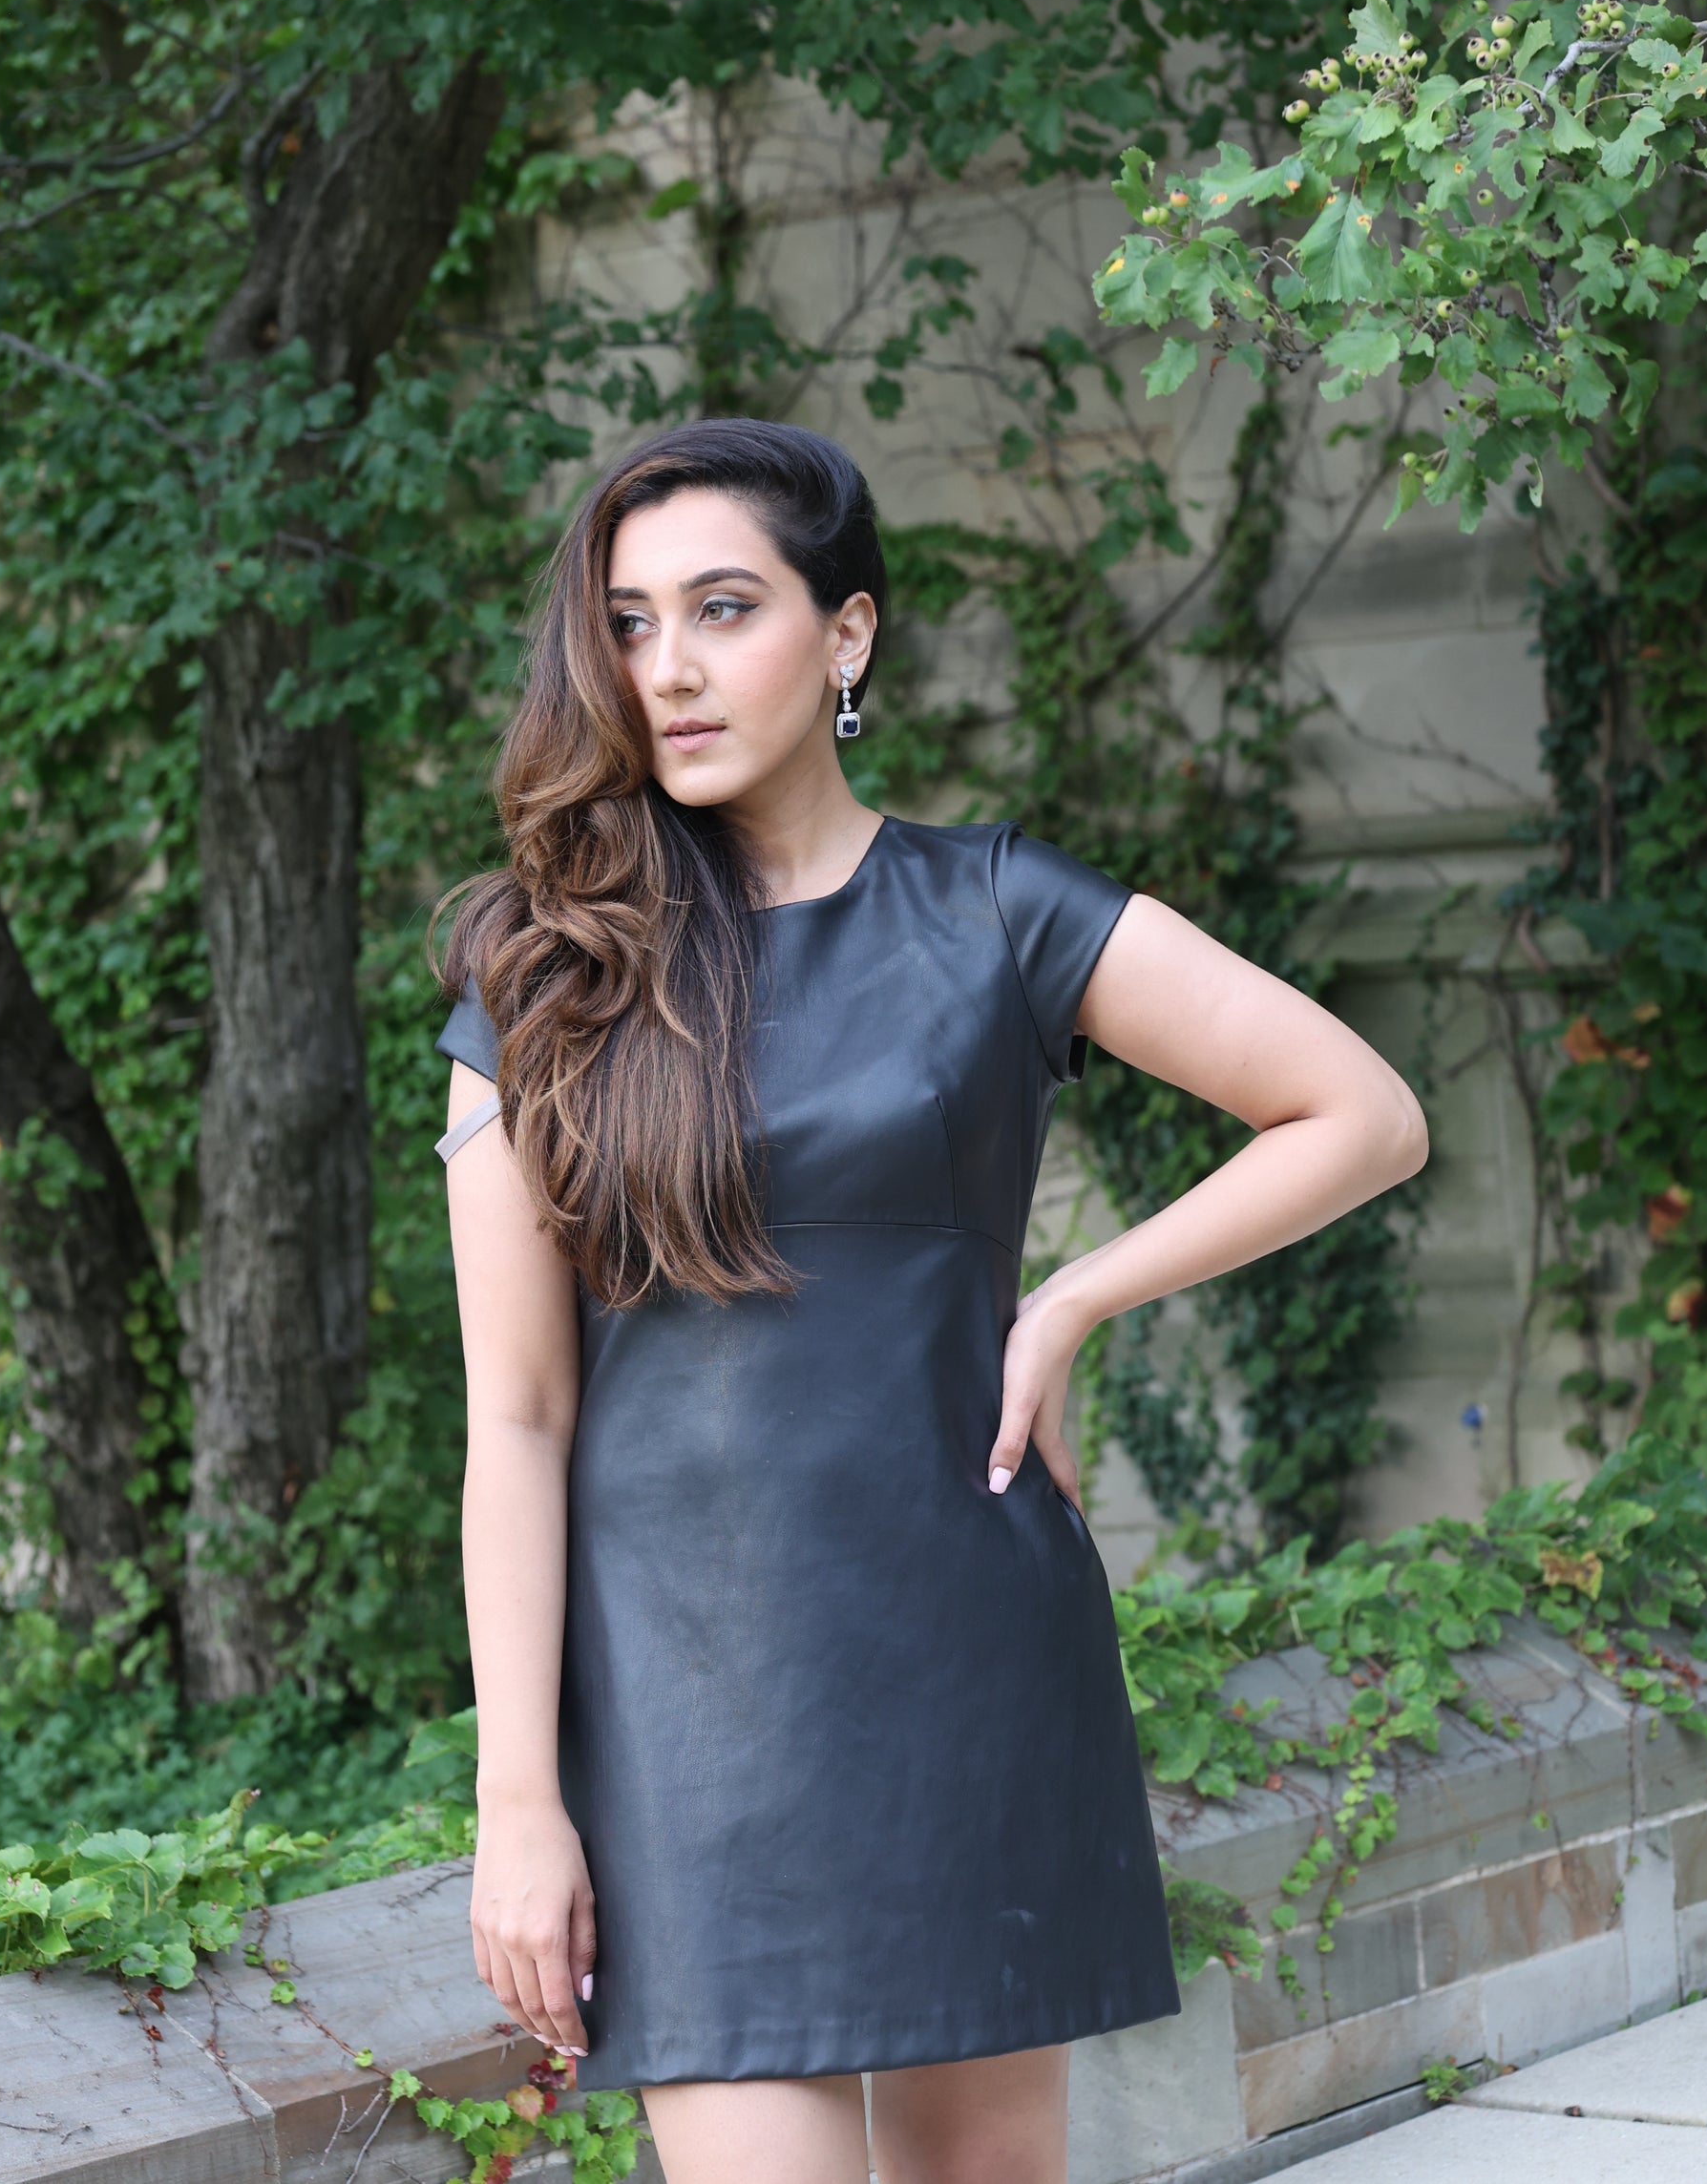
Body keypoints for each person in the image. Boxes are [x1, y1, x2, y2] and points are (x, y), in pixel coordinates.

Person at [434, 417, 1426, 2184]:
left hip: (966, 1661)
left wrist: (1071, 1301)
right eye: (631, 624)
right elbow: (514, 1418)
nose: (668, 669)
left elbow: (1360, 1113)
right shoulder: (543, 977)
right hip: (681, 1718)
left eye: (722, 608)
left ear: (848, 633)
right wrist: (519, 1800)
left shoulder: (997, 909)